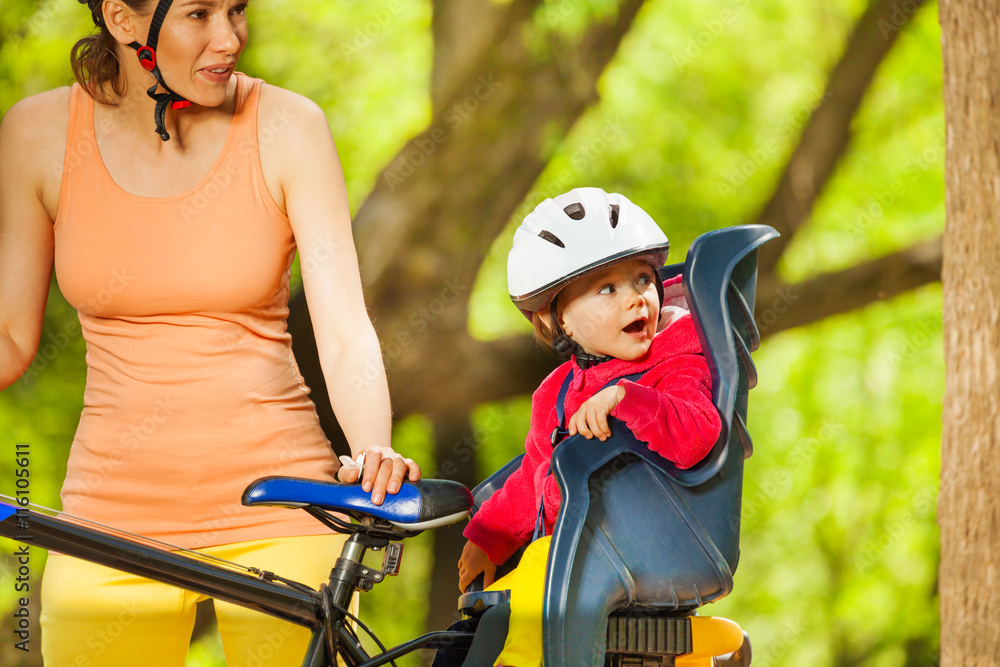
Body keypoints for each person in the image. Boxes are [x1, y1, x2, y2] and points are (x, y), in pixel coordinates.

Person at [0, 0, 420, 664]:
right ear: (122, 18)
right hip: (108, 515)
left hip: (281, 502)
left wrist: (371, 448)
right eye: (199, 14)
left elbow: (344, 329)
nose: (228, 38)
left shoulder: (288, 127)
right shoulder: (37, 134)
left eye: (237, 9)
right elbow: (10, 337)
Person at [455, 187, 722, 666]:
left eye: (643, 279)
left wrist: (630, 398)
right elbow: (535, 476)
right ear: (557, 321)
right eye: (607, 289)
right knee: (481, 625)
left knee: (536, 588)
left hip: (648, 545)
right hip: (576, 553)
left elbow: (697, 434)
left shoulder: (676, 362)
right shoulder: (555, 393)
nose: (636, 300)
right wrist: (489, 537)